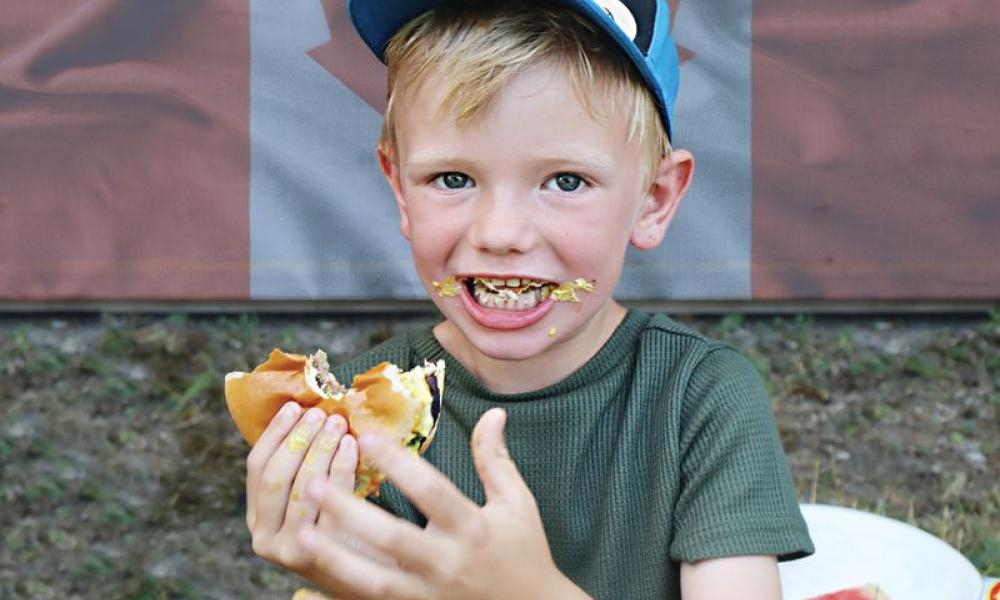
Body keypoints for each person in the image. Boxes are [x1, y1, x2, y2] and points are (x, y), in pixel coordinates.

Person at [243, 1, 814, 598]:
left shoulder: (699, 397)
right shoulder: (357, 421)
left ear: (654, 200)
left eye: (566, 181)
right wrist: (338, 574)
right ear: (400, 188)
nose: (501, 233)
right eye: (453, 179)